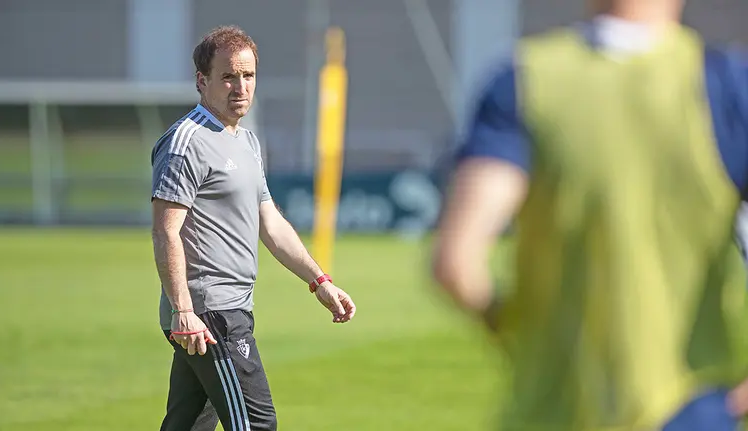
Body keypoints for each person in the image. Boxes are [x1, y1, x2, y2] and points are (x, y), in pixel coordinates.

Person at [431, 0, 748, 430]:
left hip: (551, 409)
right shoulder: (728, 90)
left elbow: (456, 265)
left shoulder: (523, 81)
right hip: (688, 409)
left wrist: (520, 336)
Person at [150, 25, 356, 431]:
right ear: (202, 81)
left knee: (188, 426)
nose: (240, 86)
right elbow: (166, 231)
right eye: (228, 76)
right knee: (257, 425)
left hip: (229, 309)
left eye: (248, 75)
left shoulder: (246, 140)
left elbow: (271, 222)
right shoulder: (186, 142)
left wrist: (319, 281)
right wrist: (184, 311)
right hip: (210, 313)